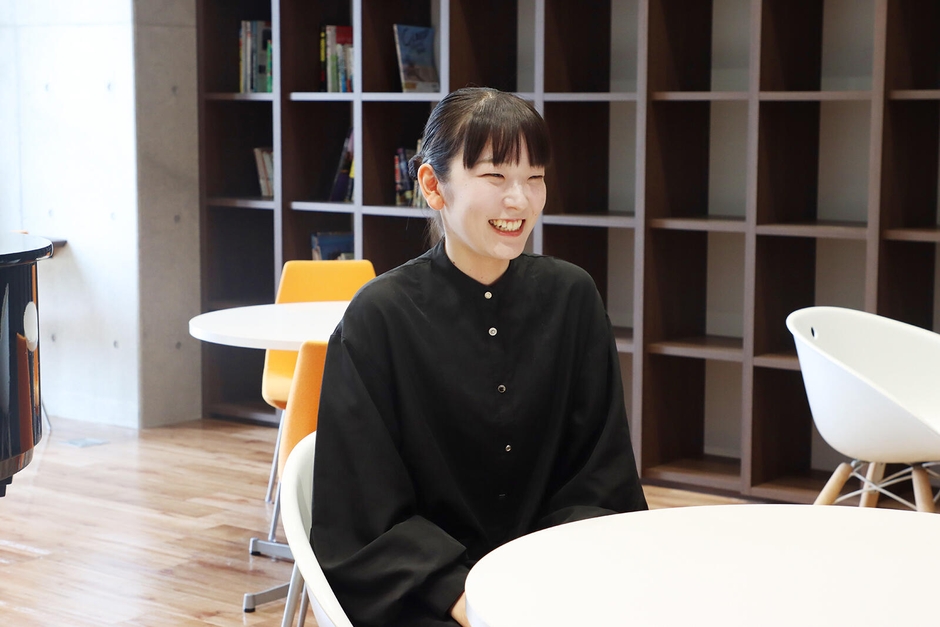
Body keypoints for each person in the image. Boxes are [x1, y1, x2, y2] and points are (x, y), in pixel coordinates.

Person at [310, 86, 648, 627]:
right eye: (495, 177)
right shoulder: (379, 317)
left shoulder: (573, 297)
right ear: (432, 185)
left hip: (557, 581)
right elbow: (364, 511)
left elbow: (600, 475)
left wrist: (551, 587)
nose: (520, 201)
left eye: (534, 177)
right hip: (429, 597)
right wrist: (468, 601)